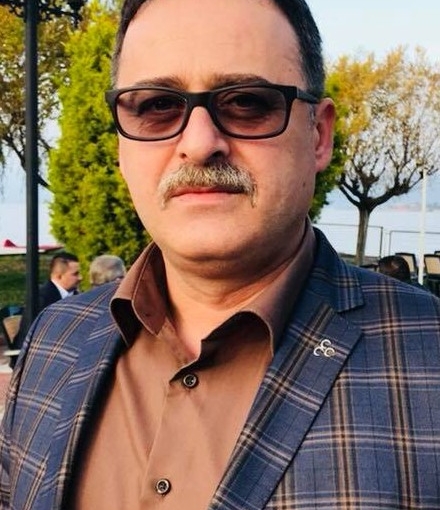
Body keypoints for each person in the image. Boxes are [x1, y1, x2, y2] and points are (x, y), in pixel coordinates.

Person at [1, 0, 440, 508]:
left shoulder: (427, 359)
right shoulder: (54, 341)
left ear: (319, 136)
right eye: (156, 106)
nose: (199, 143)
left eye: (247, 103)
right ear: (121, 144)